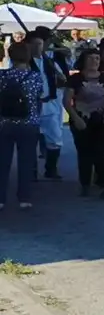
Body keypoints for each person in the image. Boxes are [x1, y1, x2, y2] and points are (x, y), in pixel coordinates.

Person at [64, 48, 104, 198]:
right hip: (82, 119)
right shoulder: (76, 79)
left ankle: (102, 180)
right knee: (84, 153)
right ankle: (85, 183)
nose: (94, 61)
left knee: (101, 152)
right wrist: (76, 118)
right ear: (84, 60)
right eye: (91, 58)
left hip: (103, 120)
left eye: (97, 58)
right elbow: (67, 101)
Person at [0, 42, 42, 210]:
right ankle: (24, 197)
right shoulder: (34, 77)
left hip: (4, 122)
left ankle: (1, 198)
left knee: (2, 162)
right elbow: (38, 98)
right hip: (29, 122)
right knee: (26, 162)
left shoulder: (2, 76)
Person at [25, 29, 67, 180]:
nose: (38, 47)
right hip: (31, 106)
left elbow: (62, 80)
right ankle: (32, 171)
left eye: (40, 44)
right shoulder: (24, 62)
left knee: (55, 138)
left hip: (49, 103)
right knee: (31, 139)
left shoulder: (50, 62)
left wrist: (60, 79)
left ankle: (51, 168)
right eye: (34, 44)